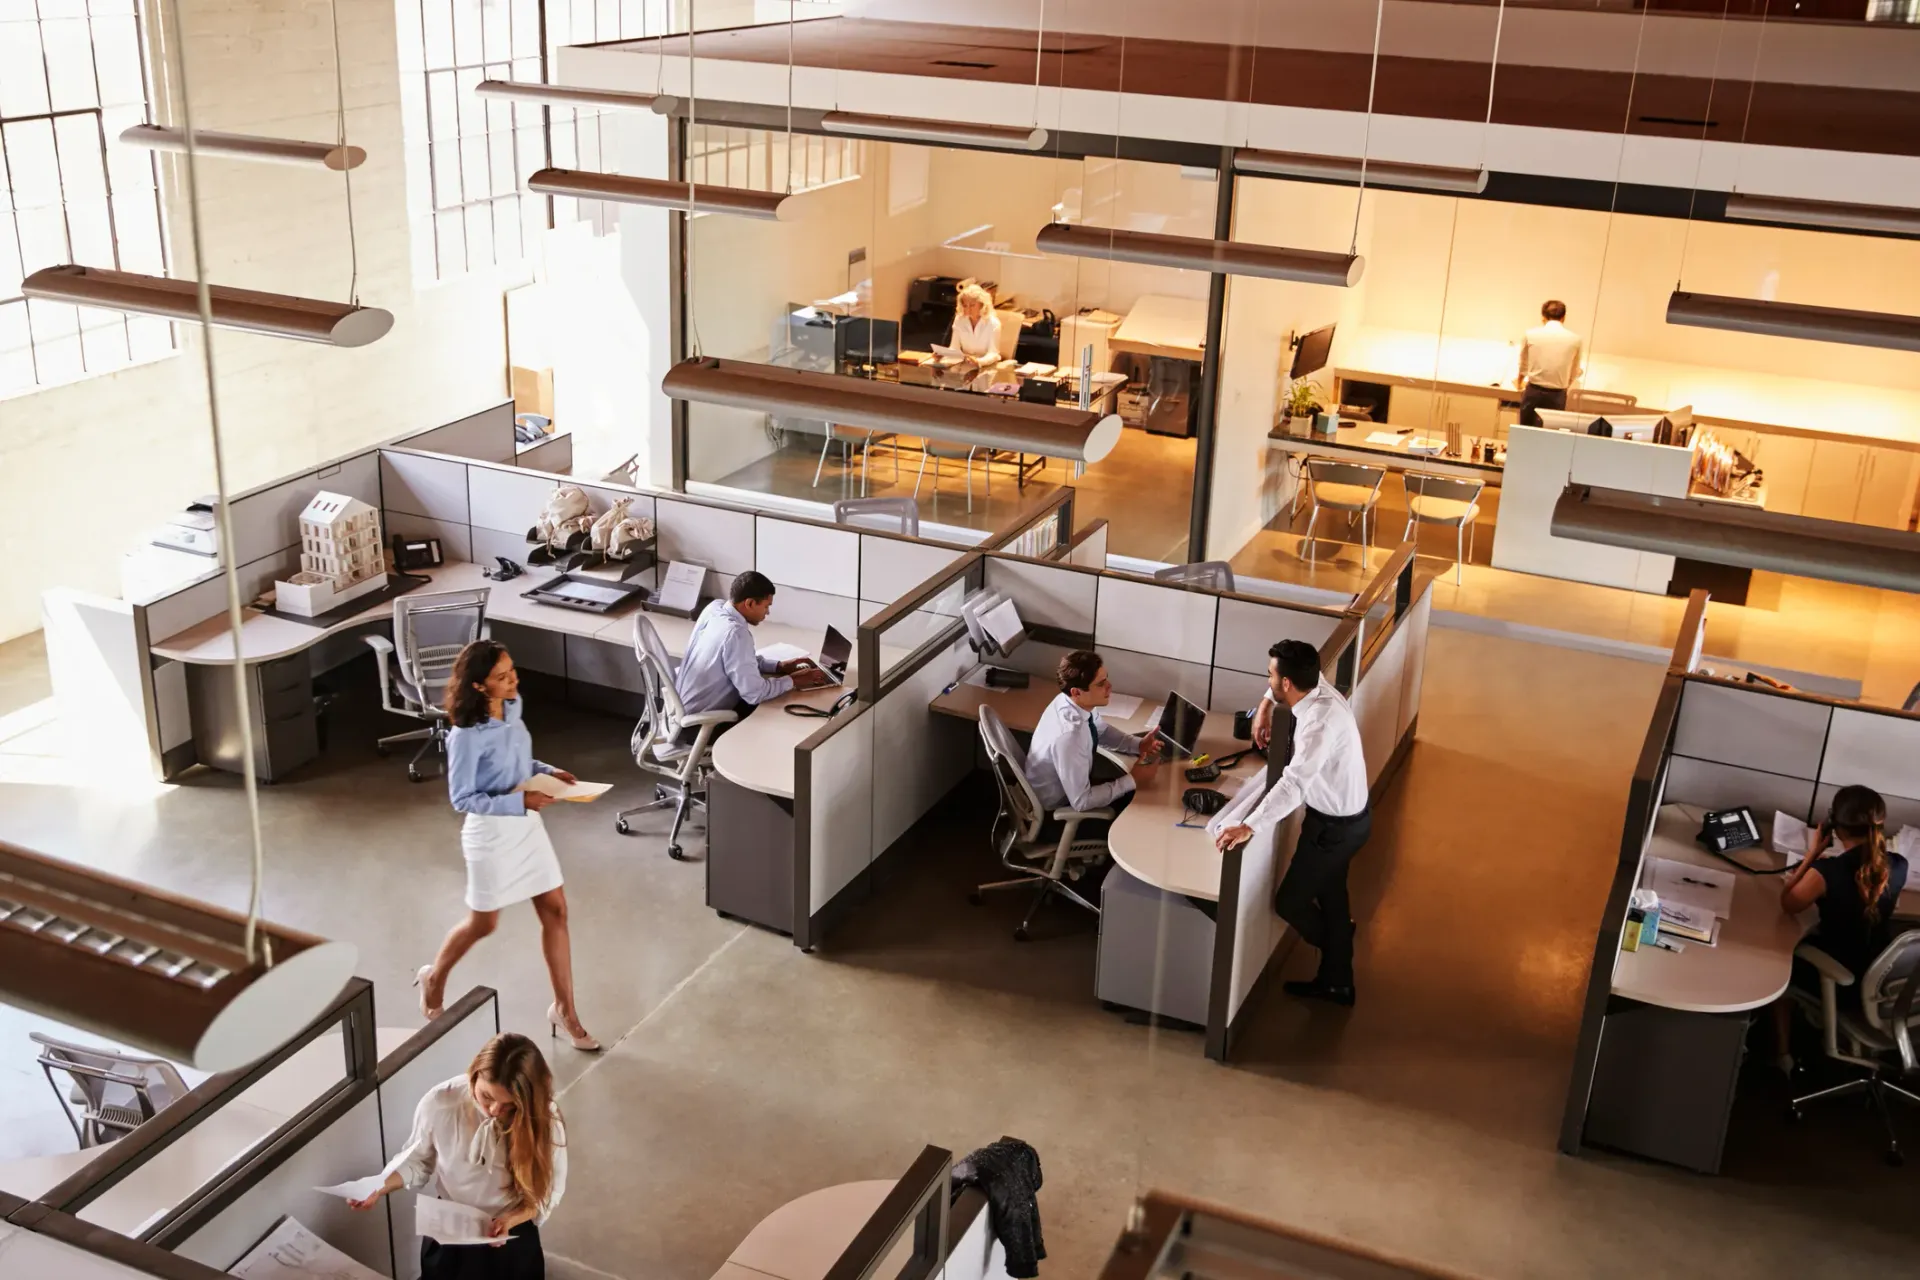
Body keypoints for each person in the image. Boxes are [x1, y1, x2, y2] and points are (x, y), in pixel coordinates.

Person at [415, 641, 599, 1052]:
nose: (513, 680)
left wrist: (549, 771)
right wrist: (520, 801)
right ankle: (435, 976)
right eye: (503, 677)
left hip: (526, 825)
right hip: (491, 832)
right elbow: (462, 798)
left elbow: (519, 763)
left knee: (556, 910)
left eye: (512, 671)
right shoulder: (465, 736)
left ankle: (565, 1011)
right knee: (484, 924)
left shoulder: (512, 707)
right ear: (480, 686)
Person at [1214, 639, 1371, 1007]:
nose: (1268, 679)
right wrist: (1266, 705)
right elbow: (1279, 685)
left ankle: (1338, 949)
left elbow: (1295, 784)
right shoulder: (1317, 687)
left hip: (1334, 829)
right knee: (1332, 897)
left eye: (1270, 676)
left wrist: (1249, 825)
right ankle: (1338, 981)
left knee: (1290, 903)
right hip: (1348, 821)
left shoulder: (1317, 725)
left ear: (1287, 683)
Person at [351, 1032, 565, 1280]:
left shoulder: (544, 1120)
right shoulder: (441, 1102)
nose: (494, 1111)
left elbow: (548, 1192)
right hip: (449, 1229)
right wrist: (380, 1185)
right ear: (474, 1074)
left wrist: (512, 1219)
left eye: (510, 1106)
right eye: (487, 1096)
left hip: (510, 1233)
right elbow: (417, 1160)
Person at [1769, 784, 1909, 1075]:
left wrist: (1811, 854)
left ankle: (1782, 1055)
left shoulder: (1826, 872)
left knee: (1779, 963)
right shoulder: (1898, 864)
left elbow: (1788, 904)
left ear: (1835, 826)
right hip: (1880, 980)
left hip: (1842, 981)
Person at [674, 571, 831, 742]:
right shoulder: (736, 633)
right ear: (749, 603)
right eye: (765, 606)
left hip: (680, 714)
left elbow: (737, 659)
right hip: (701, 727)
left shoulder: (715, 608)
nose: (768, 612)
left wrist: (779, 666)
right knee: (776, 714)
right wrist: (795, 681)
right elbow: (754, 693)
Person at [1024, 650, 1161, 825]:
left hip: (1072, 789)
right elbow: (1082, 801)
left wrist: (1138, 745)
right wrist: (1133, 779)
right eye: (1101, 684)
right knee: (1140, 813)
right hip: (1058, 811)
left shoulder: (1070, 702)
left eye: (1107, 679)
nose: (1109, 686)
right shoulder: (1069, 736)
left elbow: (1100, 731)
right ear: (1077, 692)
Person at [1516, 299, 1583, 427]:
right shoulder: (1576, 340)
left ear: (1543, 317)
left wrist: (1519, 383)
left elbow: (1523, 365)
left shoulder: (1530, 334)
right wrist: (1564, 385)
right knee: (1549, 436)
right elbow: (1574, 371)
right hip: (1557, 394)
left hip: (1533, 391)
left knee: (1525, 432)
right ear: (1563, 318)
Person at [948, 283, 1002, 362]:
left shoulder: (993, 323)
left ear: (982, 304)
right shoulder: (959, 320)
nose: (968, 309)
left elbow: (993, 353)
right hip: (965, 364)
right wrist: (943, 355)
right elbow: (954, 348)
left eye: (972, 305)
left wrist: (978, 362)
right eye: (965, 305)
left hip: (986, 366)